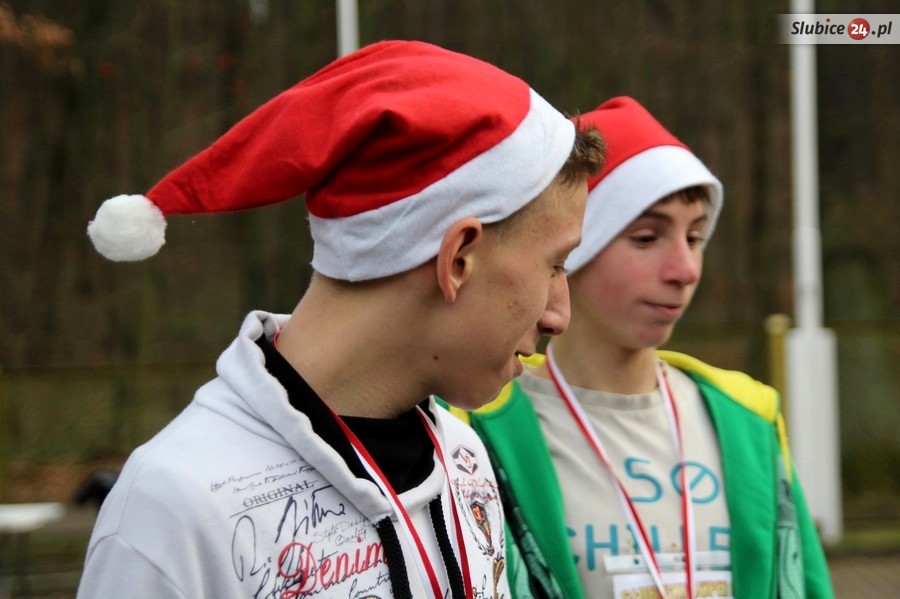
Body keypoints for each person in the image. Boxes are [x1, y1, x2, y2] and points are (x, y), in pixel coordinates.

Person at [77, 40, 605, 599]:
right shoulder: (175, 509)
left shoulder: (464, 460)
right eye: (555, 265)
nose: (560, 315)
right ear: (458, 260)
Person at [453, 97, 834, 599]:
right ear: (572, 246)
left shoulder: (747, 417)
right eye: (648, 238)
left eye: (694, 238)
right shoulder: (476, 428)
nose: (685, 270)